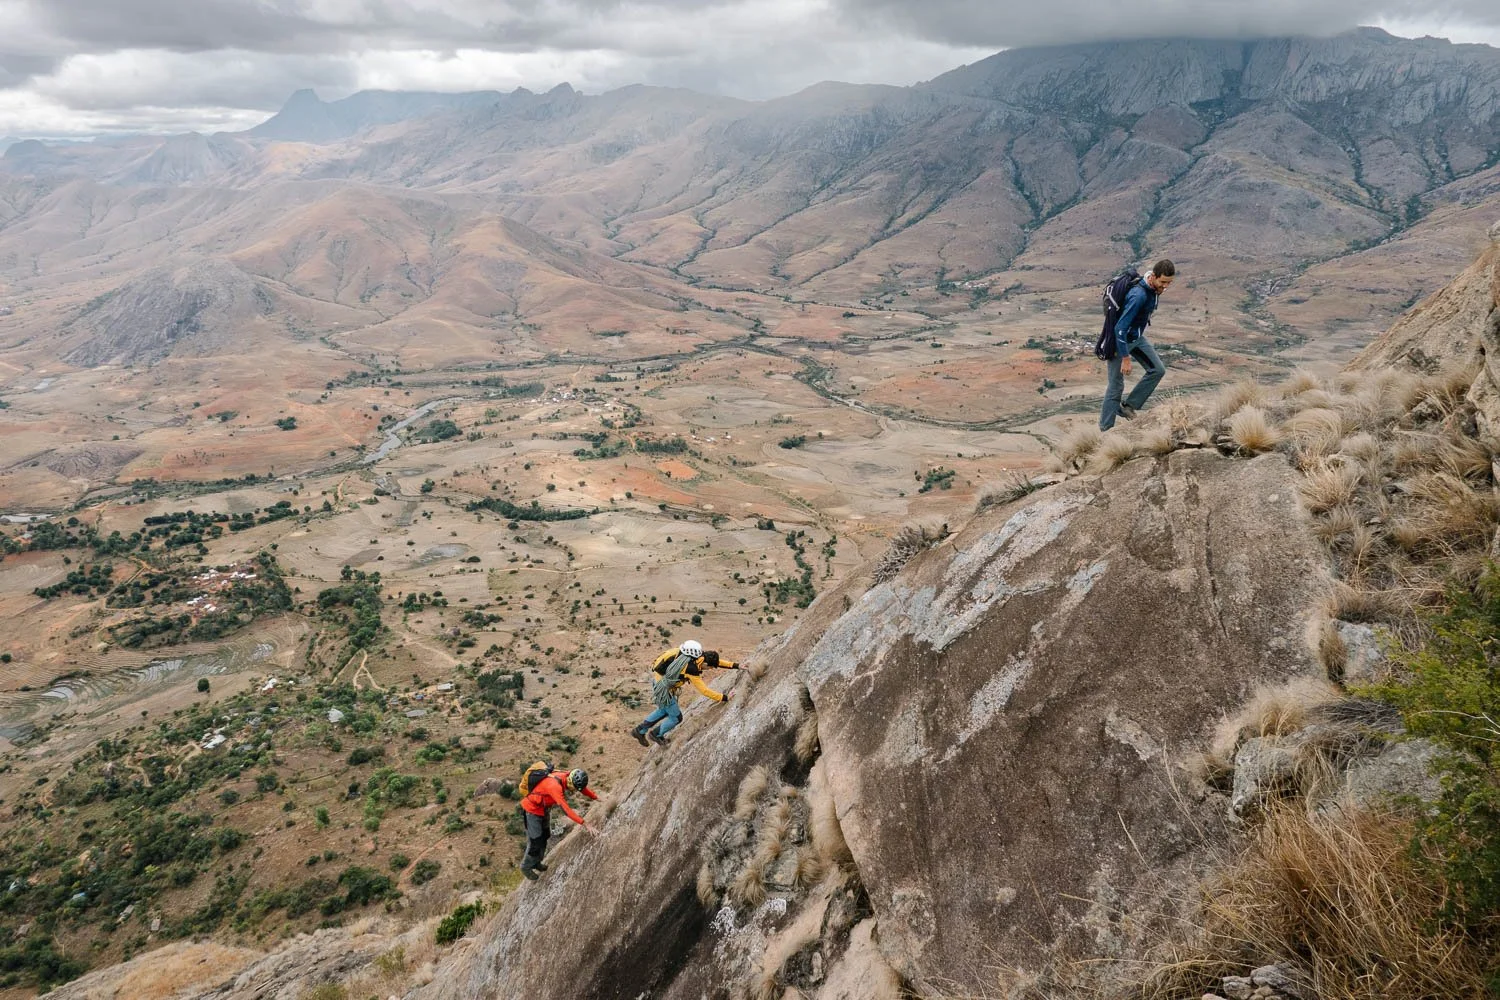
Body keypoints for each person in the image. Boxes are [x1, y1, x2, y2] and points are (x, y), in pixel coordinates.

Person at [1100, 259, 1176, 431]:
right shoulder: (1139, 295)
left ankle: (1127, 407)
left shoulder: (1153, 289)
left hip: (1136, 338)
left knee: (1158, 370)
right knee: (1116, 386)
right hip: (1120, 342)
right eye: (1163, 282)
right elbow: (1120, 328)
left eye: (1169, 283)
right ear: (1153, 277)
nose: (1165, 287)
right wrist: (1125, 357)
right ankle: (1105, 430)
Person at [629, 640, 738, 747]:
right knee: (676, 717)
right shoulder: (691, 668)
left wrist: (736, 665)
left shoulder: (695, 655)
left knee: (663, 710)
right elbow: (704, 690)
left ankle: (639, 731)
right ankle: (656, 734)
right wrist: (725, 698)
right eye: (709, 667)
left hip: (658, 682)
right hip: (664, 690)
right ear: (704, 663)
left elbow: (717, 662)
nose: (710, 669)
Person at [519, 767, 596, 880]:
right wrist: (585, 824)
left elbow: (581, 788)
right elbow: (566, 810)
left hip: (543, 809)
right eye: (574, 789)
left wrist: (595, 797)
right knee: (536, 841)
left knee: (545, 836)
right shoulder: (555, 786)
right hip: (532, 810)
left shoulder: (568, 776)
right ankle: (526, 867)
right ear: (570, 782)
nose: (574, 791)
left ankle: (536, 862)